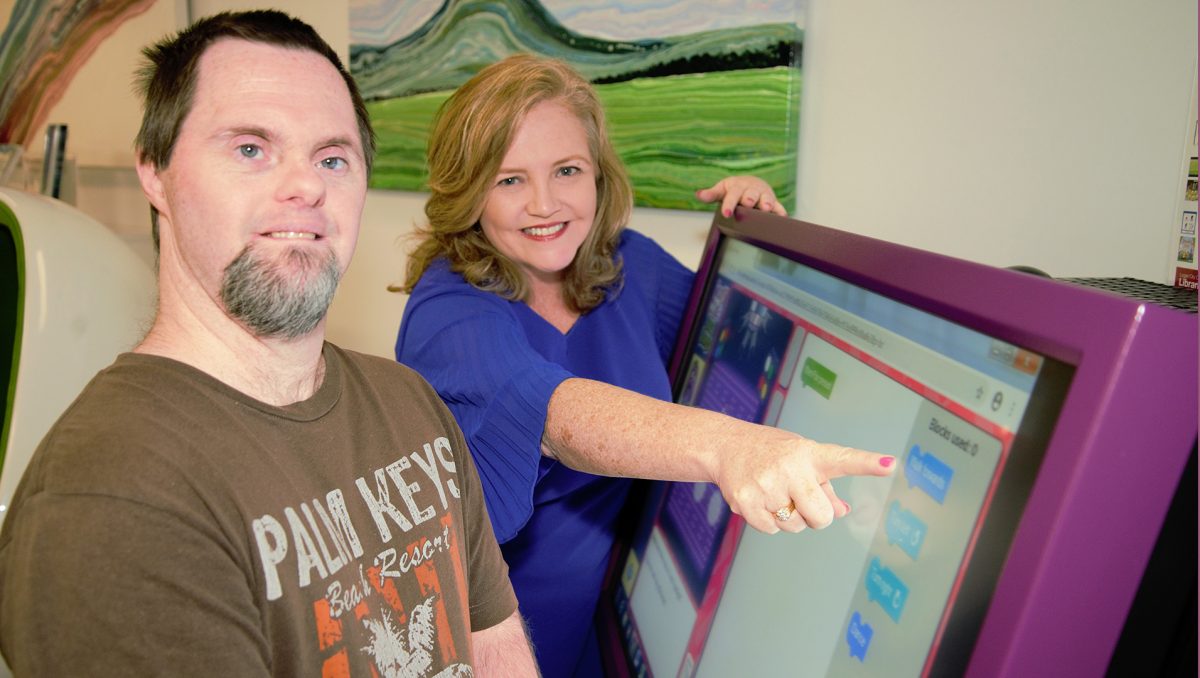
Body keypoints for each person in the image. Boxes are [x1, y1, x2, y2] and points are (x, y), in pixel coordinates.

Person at [0, 11, 538, 677]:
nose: (307, 186)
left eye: (332, 158)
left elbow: (492, 641)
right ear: (156, 170)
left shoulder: (409, 405)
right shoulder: (112, 500)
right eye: (250, 149)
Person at [394, 54, 896, 677]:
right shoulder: (446, 310)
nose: (545, 204)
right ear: (469, 192)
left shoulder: (630, 266)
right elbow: (549, 414)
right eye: (509, 180)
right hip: (502, 637)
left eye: (567, 170)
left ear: (598, 176)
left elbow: (741, 336)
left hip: (621, 610)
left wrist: (759, 241)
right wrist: (729, 448)